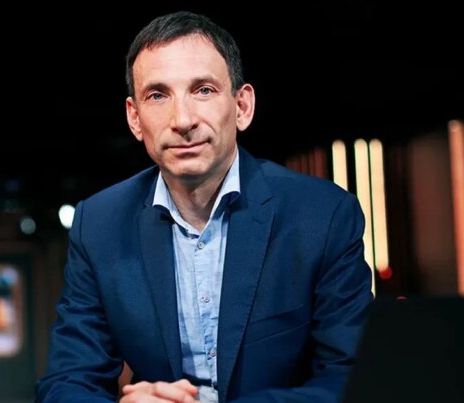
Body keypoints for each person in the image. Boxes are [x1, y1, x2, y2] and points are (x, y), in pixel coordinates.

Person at [36, 10, 373, 403]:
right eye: (158, 95)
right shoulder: (98, 225)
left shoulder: (323, 215)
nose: (182, 120)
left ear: (242, 106)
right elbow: (66, 383)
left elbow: (351, 381)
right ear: (135, 118)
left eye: (203, 90)